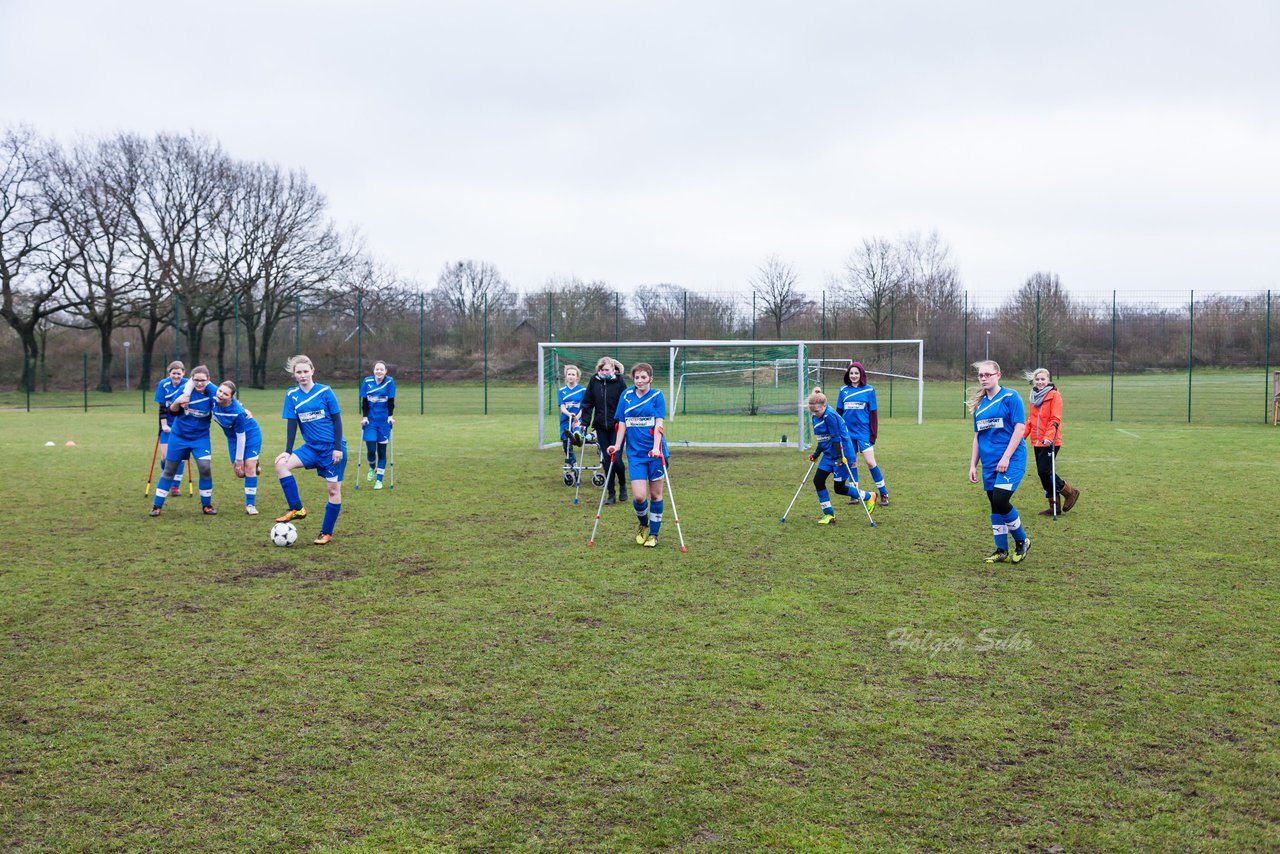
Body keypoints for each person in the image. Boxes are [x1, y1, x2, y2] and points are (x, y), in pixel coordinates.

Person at [274, 355, 346, 546]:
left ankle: (326, 532)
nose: (303, 375)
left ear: (312, 371)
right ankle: (297, 509)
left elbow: (337, 421)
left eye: (306, 371)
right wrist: (288, 451)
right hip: (311, 448)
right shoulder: (291, 395)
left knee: (332, 491)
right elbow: (292, 424)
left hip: (332, 448)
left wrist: (338, 448)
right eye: (299, 372)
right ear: (294, 374)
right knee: (281, 464)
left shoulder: (325, 392)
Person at [967, 360, 1031, 564]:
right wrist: (972, 465)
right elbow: (977, 437)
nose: (984, 378)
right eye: (980, 375)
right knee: (995, 505)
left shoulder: (1011, 397)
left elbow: (1019, 429)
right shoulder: (980, 406)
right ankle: (1001, 550)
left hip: (1011, 460)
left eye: (988, 374)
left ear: (998, 375)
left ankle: (1022, 541)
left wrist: (1006, 457)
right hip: (989, 463)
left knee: (1001, 500)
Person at [607, 363, 668, 547]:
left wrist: (656, 448)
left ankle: (654, 534)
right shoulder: (626, 396)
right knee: (640, 497)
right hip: (635, 455)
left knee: (656, 495)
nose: (640, 381)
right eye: (636, 377)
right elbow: (622, 424)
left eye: (643, 377)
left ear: (650, 378)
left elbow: (659, 424)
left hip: (655, 453)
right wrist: (617, 446)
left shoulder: (657, 396)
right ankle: (643, 524)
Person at [148, 364, 217, 516]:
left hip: (201, 438)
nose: (199, 383)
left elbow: (226, 400)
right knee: (169, 469)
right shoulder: (184, 390)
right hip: (179, 436)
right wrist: (178, 401)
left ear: (208, 380)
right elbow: (171, 412)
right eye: (196, 380)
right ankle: (156, 506)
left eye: (203, 380)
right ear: (192, 379)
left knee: (205, 468)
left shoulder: (212, 392)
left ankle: (207, 505)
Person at [808, 387, 876, 524]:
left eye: (817, 411)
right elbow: (821, 438)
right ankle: (829, 514)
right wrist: (816, 454)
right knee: (818, 481)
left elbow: (835, 437)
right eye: (812, 411)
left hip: (843, 454)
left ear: (824, 406)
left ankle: (869, 496)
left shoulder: (830, 416)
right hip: (828, 455)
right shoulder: (815, 417)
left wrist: (839, 457)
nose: (814, 414)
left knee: (839, 488)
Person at [1026, 368, 1080, 516]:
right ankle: (1054, 506)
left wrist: (1049, 436)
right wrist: (1021, 436)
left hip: (1051, 441)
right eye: (1037, 379)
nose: (1040, 382)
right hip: (1037, 441)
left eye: (1043, 379)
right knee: (1043, 474)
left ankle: (1069, 492)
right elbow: (1031, 420)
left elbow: (1055, 419)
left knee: (1045, 471)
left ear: (1048, 380)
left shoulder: (1054, 396)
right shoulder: (1033, 397)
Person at [837, 361, 890, 506]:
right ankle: (854, 494)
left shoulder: (869, 390)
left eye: (856, 373)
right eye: (851, 373)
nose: (854, 376)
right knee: (852, 463)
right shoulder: (843, 390)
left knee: (870, 462)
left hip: (864, 433)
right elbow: (839, 414)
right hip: (848, 434)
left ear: (861, 375)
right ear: (848, 374)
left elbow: (873, 414)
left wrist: (873, 434)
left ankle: (884, 493)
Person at [579, 356, 627, 505]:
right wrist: (585, 423)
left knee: (616, 459)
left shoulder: (619, 382)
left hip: (617, 426)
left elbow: (626, 402)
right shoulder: (594, 381)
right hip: (601, 427)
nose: (604, 372)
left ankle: (623, 485)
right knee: (606, 461)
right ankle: (611, 493)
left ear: (613, 369)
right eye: (601, 369)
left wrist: (626, 422)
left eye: (607, 369)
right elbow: (587, 403)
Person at [212, 381, 263, 515]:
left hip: (250, 435)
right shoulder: (213, 397)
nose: (221, 394)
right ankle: (255, 462)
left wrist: (239, 460)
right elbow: (199, 380)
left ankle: (250, 504)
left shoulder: (238, 412)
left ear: (231, 397)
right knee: (240, 473)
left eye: (225, 394)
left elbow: (242, 437)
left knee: (249, 468)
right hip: (232, 439)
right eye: (220, 391)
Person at [360, 360, 396, 490]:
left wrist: (390, 417)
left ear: (385, 371)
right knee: (370, 449)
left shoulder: (390, 382)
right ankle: (371, 467)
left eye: (381, 369)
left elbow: (391, 401)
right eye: (377, 369)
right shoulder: (367, 382)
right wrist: (364, 417)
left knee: (382, 452)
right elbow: (364, 401)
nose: (379, 371)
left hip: (383, 422)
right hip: (370, 421)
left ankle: (379, 480)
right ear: (373, 371)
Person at [153, 361, 187, 496]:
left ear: (183, 373)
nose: (176, 376)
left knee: (180, 457)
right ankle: (166, 476)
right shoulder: (163, 384)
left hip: (181, 424)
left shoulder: (188, 383)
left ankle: (175, 486)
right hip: (166, 423)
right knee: (166, 457)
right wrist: (164, 425)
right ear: (169, 373)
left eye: (179, 373)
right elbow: (162, 407)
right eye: (174, 373)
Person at [557, 365, 587, 473]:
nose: (571, 376)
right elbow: (562, 407)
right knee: (566, 444)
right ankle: (574, 464)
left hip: (578, 419)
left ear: (577, 377)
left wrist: (577, 417)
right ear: (566, 376)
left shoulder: (583, 390)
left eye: (573, 374)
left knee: (576, 427)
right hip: (566, 419)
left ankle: (577, 436)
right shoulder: (561, 390)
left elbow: (584, 407)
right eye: (569, 374)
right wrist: (569, 414)